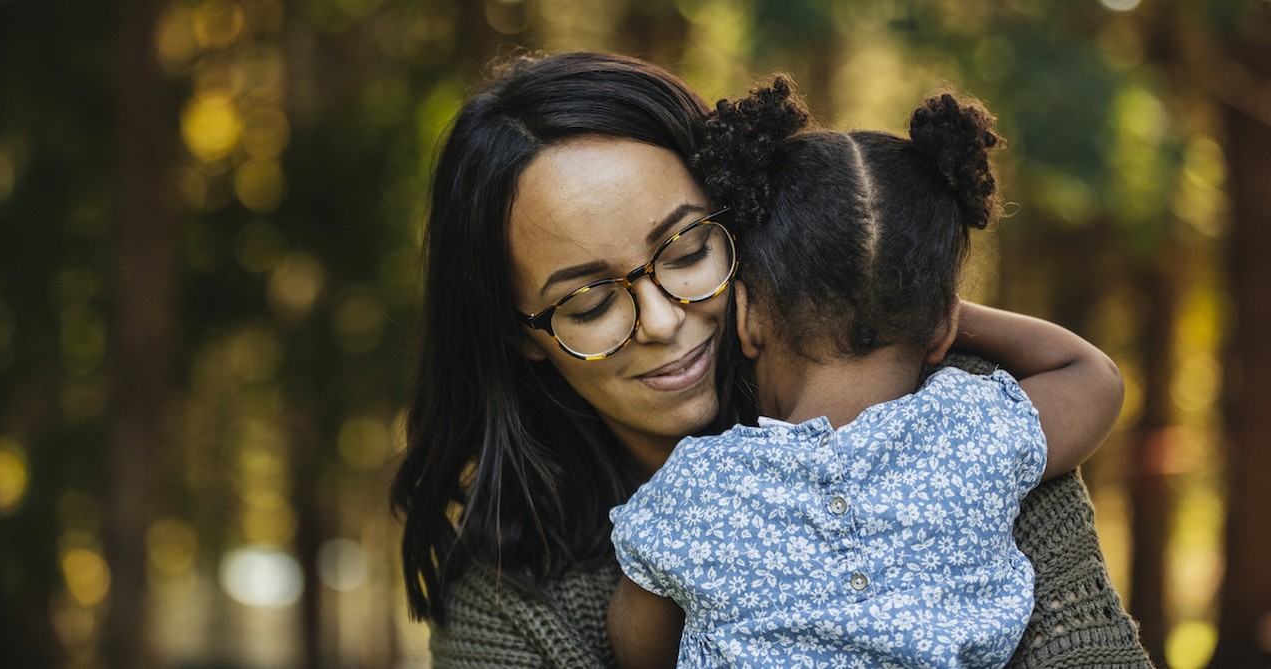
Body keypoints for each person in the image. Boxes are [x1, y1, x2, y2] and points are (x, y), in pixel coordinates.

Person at [390, 51, 1154, 668]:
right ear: (519, 331)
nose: (660, 321)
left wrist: (893, 299)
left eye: (687, 250)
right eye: (589, 303)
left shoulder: (961, 415)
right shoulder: (507, 606)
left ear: (749, 222)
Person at [605, 79, 1121, 669]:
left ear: (747, 318)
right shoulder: (974, 430)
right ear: (943, 327)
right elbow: (1092, 374)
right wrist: (929, 303)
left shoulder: (697, 488)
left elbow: (635, 647)